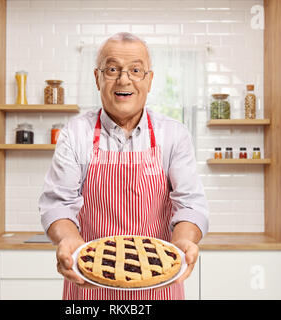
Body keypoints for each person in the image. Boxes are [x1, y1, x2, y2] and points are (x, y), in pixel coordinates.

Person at [39, 32, 209, 300]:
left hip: (159, 284)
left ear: (149, 80)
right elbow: (58, 203)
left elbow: (190, 203)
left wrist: (183, 242)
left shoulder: (174, 135)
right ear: (97, 78)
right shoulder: (75, 134)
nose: (124, 79)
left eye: (136, 70)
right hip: (90, 283)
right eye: (112, 69)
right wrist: (67, 239)